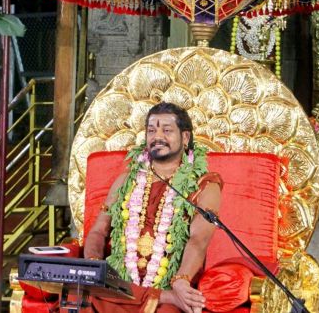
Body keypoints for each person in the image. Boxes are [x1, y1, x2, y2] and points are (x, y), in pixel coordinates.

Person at [84, 102, 222, 313]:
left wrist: (182, 279)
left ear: (185, 137)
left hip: (170, 285)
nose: (157, 136)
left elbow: (198, 240)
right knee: (76, 295)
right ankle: (156, 296)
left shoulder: (204, 185)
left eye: (167, 130)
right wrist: (93, 266)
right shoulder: (125, 182)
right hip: (120, 287)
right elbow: (98, 230)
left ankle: (163, 297)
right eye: (151, 130)